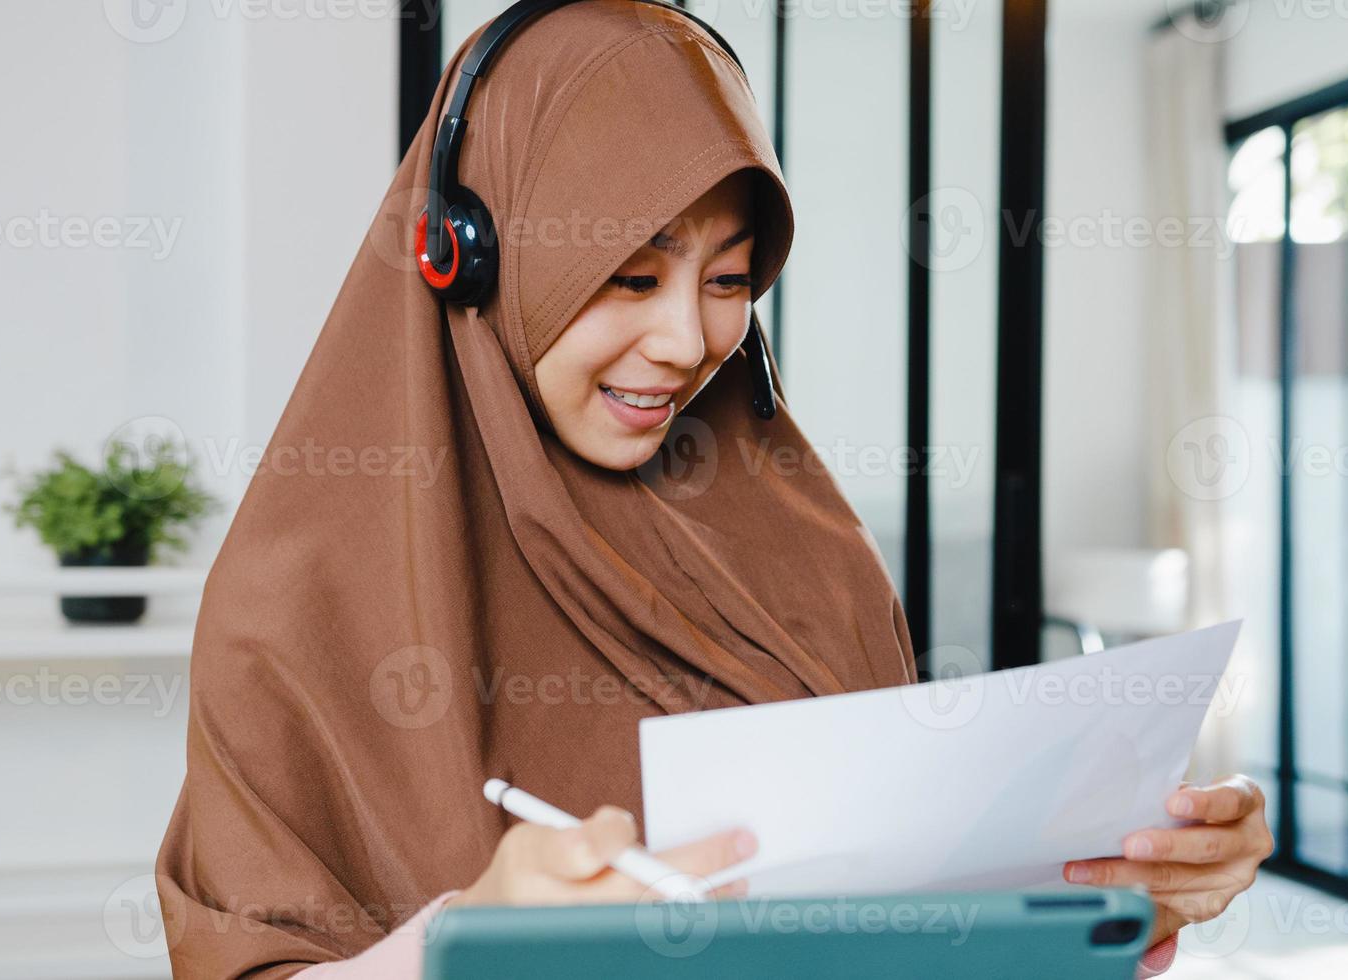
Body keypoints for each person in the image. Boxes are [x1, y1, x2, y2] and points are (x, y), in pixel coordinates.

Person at [153, 3, 1273, 978]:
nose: (688, 338)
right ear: (471, 257)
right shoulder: (289, 610)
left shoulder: (808, 553)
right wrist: (465, 946)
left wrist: (1114, 900)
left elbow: (906, 921)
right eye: (630, 275)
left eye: (730, 279)